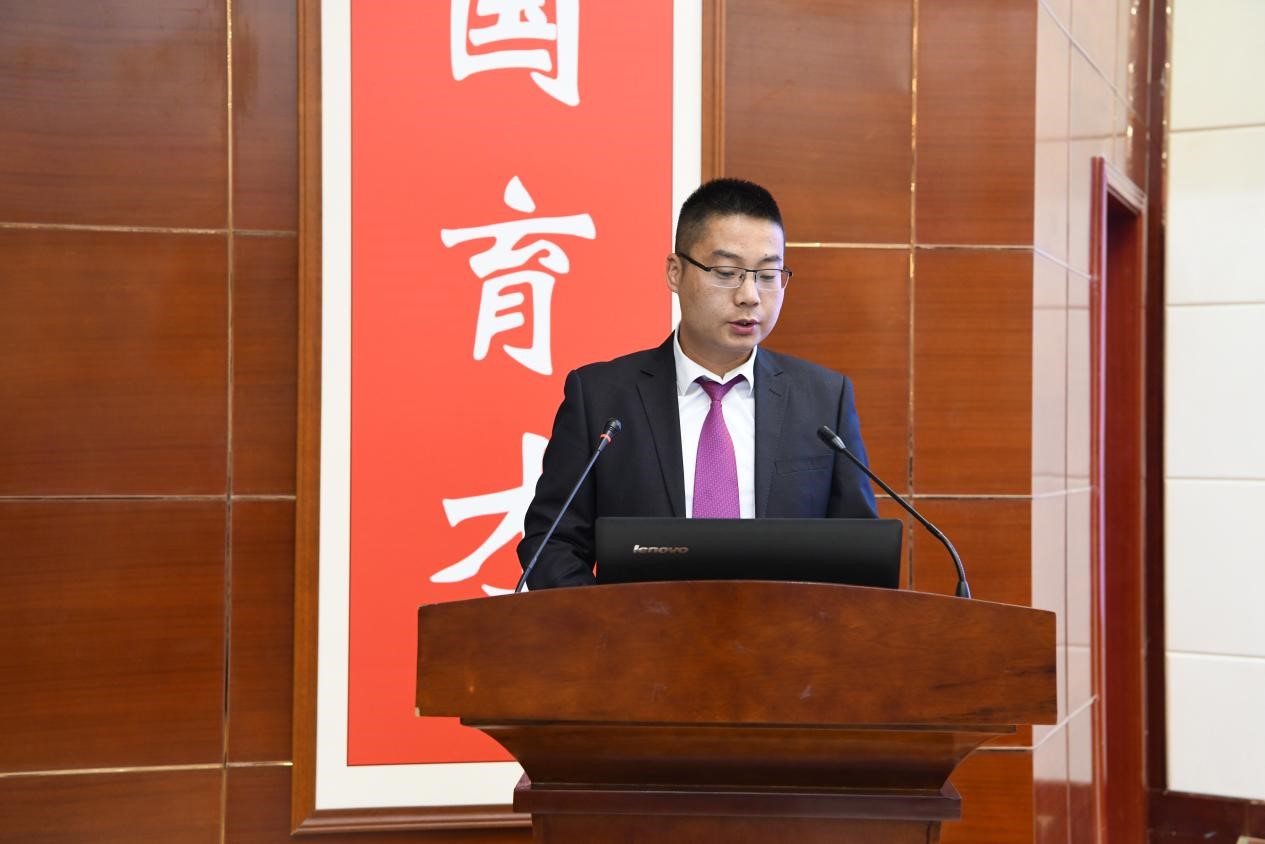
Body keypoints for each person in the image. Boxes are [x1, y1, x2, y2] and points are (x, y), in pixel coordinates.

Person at [517, 178, 877, 588]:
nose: (750, 295)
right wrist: (608, 624)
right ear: (675, 272)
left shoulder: (823, 400)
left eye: (767, 274)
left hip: (784, 629)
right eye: (726, 272)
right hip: (638, 628)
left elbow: (859, 553)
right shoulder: (601, 398)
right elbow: (553, 543)